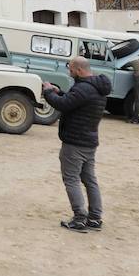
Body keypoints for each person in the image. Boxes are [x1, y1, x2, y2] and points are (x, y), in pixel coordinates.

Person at [42, 56, 111, 232]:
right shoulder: (95, 87)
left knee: (71, 179)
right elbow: (75, 101)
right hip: (89, 141)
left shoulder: (83, 88)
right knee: (90, 180)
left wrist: (49, 92)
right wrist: (61, 92)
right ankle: (95, 218)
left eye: (71, 69)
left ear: (79, 70)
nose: (69, 72)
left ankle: (79, 218)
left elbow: (63, 105)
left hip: (75, 142)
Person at [124, 56, 139, 124]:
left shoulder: (135, 61)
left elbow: (125, 65)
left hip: (138, 80)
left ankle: (135, 118)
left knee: (138, 100)